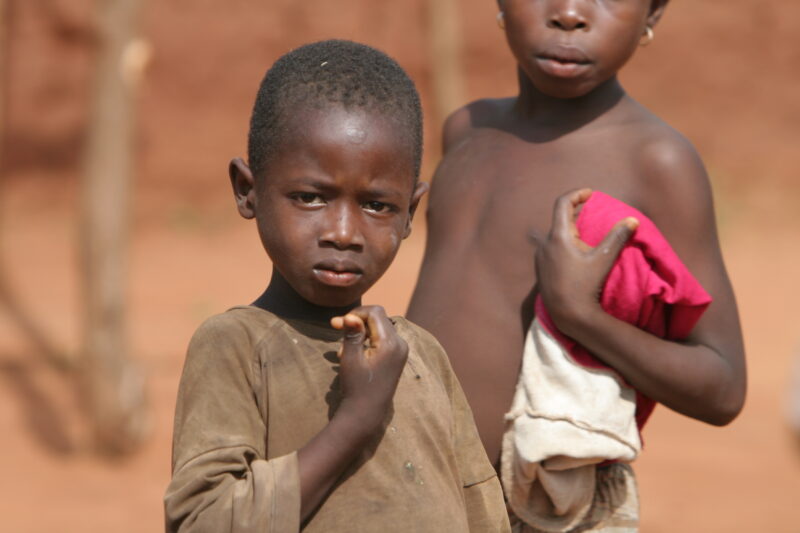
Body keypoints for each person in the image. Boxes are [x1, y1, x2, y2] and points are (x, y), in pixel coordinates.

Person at [407, 1, 746, 530]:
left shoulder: (656, 161)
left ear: (652, 14)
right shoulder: (466, 130)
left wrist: (581, 315)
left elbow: (723, 385)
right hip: (415, 488)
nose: (569, 13)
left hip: (550, 510)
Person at [164, 40, 510, 533]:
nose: (344, 232)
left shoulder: (421, 354)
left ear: (410, 213)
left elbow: (481, 509)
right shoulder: (235, 346)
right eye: (310, 197)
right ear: (248, 190)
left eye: (376, 206)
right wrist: (355, 422)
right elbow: (204, 521)